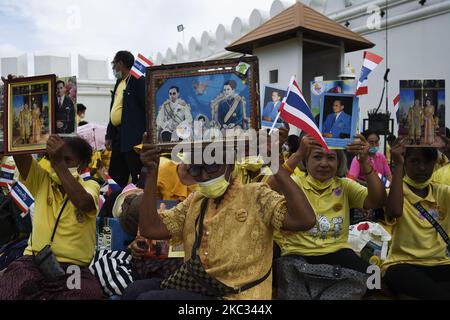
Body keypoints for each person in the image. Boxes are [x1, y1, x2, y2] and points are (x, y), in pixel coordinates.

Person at [122, 133, 317, 300]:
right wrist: (152, 170)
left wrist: (275, 165)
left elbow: (305, 220)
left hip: (238, 296)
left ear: (230, 166)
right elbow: (150, 229)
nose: (205, 175)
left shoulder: (256, 194)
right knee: (134, 291)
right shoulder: (196, 200)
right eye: (197, 168)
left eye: (213, 166)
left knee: (148, 299)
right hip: (200, 287)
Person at [268, 134, 387, 284]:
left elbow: (378, 200)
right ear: (306, 160)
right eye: (317, 157)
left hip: (337, 251)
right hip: (298, 253)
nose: (324, 163)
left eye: (331, 158)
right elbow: (267, 189)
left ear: (339, 162)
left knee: (374, 280)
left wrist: (364, 162)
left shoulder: (345, 185)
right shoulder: (294, 182)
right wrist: (298, 153)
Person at [0, 135, 103, 300]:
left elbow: (84, 203)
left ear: (82, 164)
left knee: (86, 293)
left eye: (66, 159)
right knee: (13, 287)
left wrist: (58, 163)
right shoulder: (42, 180)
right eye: (53, 158)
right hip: (34, 262)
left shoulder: (91, 186)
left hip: (72, 268)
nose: (57, 164)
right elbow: (18, 150)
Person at [382, 144, 450, 299]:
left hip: (441, 263)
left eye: (427, 162)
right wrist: (398, 164)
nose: (422, 168)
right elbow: (394, 211)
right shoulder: (395, 194)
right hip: (402, 264)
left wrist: (448, 152)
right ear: (406, 162)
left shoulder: (443, 192)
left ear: (435, 162)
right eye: (415, 161)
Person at [106, 51, 146, 188]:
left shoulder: (137, 81)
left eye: (113, 63)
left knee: (136, 173)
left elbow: (147, 107)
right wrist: (109, 135)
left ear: (120, 63)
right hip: (118, 136)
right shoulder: (119, 82)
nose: (112, 68)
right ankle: (114, 204)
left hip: (133, 138)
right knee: (115, 175)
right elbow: (113, 110)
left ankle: (137, 203)